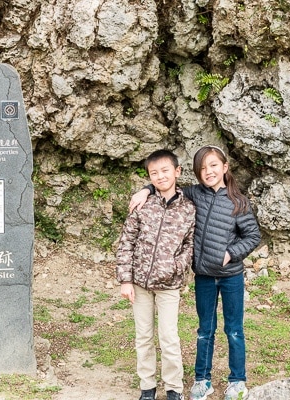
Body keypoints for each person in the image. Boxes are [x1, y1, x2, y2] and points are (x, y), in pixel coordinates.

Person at [129, 145, 261, 400]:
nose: (208, 171)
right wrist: (145, 189)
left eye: (213, 166)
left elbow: (253, 235)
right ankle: (202, 379)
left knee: (234, 329)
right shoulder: (193, 194)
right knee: (205, 330)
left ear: (225, 167)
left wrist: (230, 253)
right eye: (202, 168)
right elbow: (166, 186)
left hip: (231, 275)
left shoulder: (238, 202)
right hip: (204, 277)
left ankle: (237, 379)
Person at [117, 149, 196, 400]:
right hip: (139, 283)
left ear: (177, 171)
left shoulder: (188, 209)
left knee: (169, 337)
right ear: (149, 177)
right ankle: (147, 387)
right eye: (154, 173)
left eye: (165, 171)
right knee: (143, 336)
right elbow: (126, 242)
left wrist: (175, 267)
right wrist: (126, 280)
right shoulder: (142, 204)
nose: (160, 176)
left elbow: (190, 245)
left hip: (169, 285)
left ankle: (174, 388)